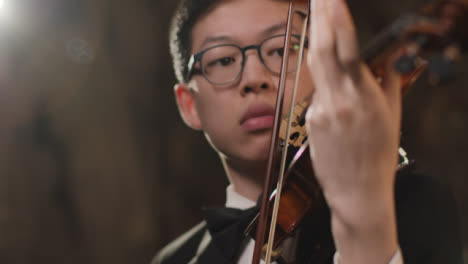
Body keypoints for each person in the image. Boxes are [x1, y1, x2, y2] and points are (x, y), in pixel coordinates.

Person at [153, 0, 464, 263]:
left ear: (324, 64)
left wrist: (364, 225)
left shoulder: (412, 205)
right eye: (223, 60)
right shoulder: (175, 258)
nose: (254, 78)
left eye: (280, 49)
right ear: (189, 105)